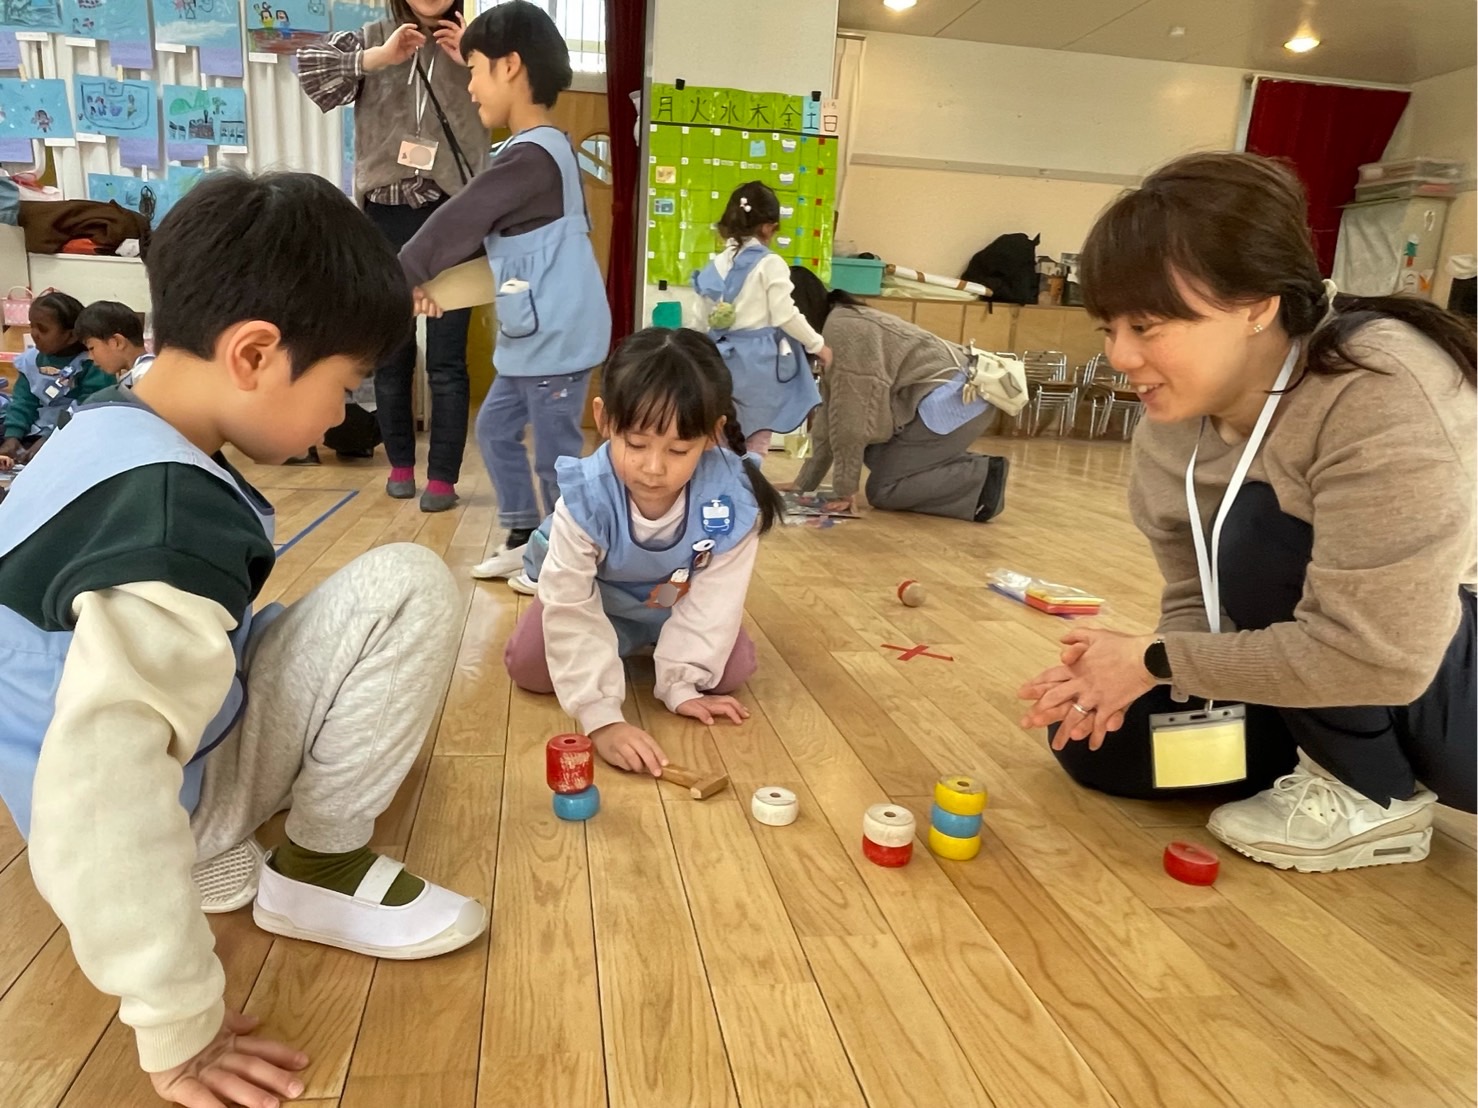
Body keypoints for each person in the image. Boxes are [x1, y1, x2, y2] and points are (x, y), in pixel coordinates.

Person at [0, 171, 487, 1107]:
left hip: (94, 758)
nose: (342, 414)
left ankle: (217, 849)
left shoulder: (109, 422)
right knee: (411, 585)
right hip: (145, 802)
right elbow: (99, 796)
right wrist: (177, 1026)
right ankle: (315, 865)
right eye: (343, 385)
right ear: (256, 354)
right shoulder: (171, 521)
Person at [1018, 152, 1476, 873]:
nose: (1120, 356)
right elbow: (1193, 594)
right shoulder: (1174, 420)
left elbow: (1379, 655)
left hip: (1434, 679)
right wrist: (1126, 680)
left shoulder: (1377, 384)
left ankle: (1372, 793)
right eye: (1109, 328)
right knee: (1104, 744)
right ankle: (1328, 756)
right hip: (1339, 681)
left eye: (1147, 325)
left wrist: (1149, 658)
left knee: (1259, 534)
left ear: (1257, 306)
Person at [502, 328, 781, 774]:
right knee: (530, 668)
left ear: (712, 435)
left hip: (672, 603)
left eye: (678, 450)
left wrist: (682, 682)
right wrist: (601, 717)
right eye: (636, 444)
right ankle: (625, 642)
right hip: (596, 602)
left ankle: (653, 645)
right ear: (605, 419)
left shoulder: (732, 499)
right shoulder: (587, 497)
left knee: (732, 671)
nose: (653, 468)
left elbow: (716, 598)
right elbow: (570, 603)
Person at [404, 1, 611, 582]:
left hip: (557, 340)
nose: (470, 85)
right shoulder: (529, 153)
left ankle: (567, 554)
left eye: (474, 69)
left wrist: (404, 270)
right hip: (533, 339)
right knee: (495, 430)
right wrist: (433, 286)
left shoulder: (533, 157)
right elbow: (502, 253)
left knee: (555, 456)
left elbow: (462, 218)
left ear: (510, 66)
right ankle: (525, 536)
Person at [297, 0, 487, 513]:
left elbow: (525, 97)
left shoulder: (481, 41)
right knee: (392, 353)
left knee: (447, 359)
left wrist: (476, 59)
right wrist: (377, 57)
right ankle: (400, 464)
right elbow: (311, 72)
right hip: (384, 215)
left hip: (455, 216)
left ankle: (443, 476)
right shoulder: (370, 35)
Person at [788, 270, 1011, 521]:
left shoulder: (842, 331)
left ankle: (982, 477)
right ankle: (957, 466)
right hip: (957, 394)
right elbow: (830, 417)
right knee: (875, 455)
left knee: (883, 490)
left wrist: (845, 491)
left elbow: (851, 422)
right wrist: (804, 484)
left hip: (958, 400)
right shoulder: (838, 321)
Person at [693, 182, 831, 459]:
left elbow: (698, 320)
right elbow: (785, 314)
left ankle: (719, 484)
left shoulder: (715, 264)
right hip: (758, 365)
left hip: (718, 361)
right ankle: (749, 483)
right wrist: (818, 345)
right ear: (768, 227)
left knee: (719, 439)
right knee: (755, 440)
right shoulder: (770, 264)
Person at [0, 292, 114, 471]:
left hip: (71, 431)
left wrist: (53, 439)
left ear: (71, 336)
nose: (34, 334)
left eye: (43, 329)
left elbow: (88, 410)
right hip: (34, 430)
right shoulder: (29, 361)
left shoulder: (92, 363)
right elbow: (23, 402)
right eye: (31, 326)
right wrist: (12, 436)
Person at [75, 299, 153, 384]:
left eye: (91, 348)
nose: (90, 357)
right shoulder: (138, 373)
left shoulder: (145, 375)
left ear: (117, 342)